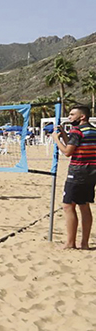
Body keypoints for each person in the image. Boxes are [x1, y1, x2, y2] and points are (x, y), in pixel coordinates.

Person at [53, 105, 96, 249]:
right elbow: (76, 146)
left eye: (72, 114)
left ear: (82, 117)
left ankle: (70, 243)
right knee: (84, 205)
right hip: (92, 171)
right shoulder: (93, 130)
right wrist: (65, 136)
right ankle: (84, 243)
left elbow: (67, 152)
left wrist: (56, 139)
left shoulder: (77, 131)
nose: (69, 117)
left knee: (68, 206)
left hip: (78, 171)